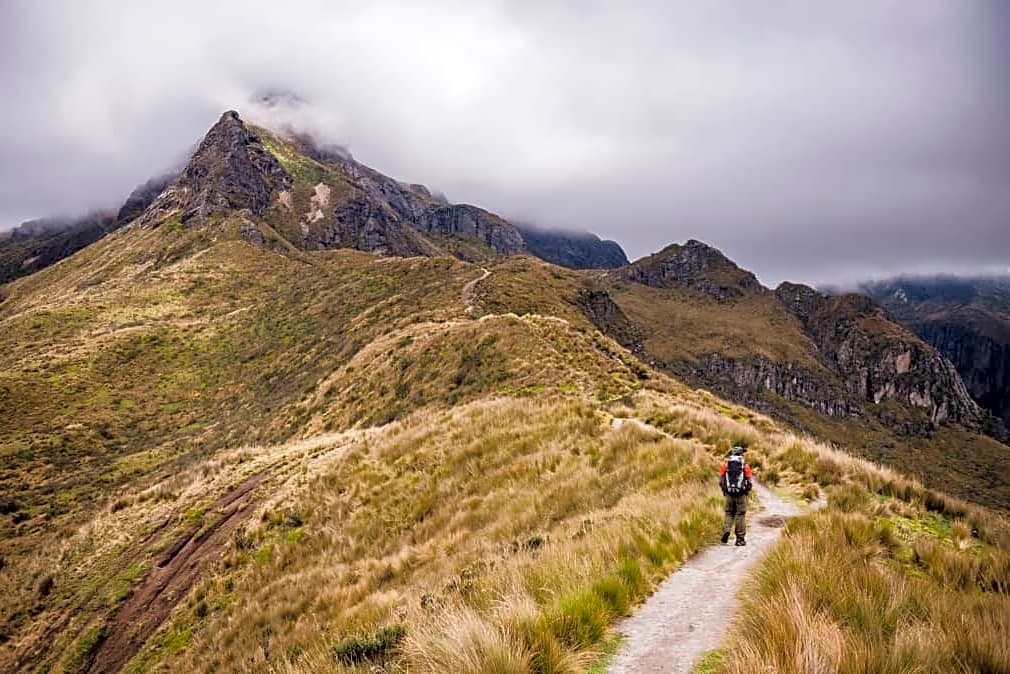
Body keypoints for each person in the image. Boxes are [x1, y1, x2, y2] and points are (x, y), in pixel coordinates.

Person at [719, 446, 753, 546]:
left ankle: (726, 530)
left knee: (729, 513)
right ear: (741, 454)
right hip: (740, 494)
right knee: (740, 514)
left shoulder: (725, 465)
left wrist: (725, 490)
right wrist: (746, 491)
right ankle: (740, 539)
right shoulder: (745, 466)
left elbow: (721, 481)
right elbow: (749, 481)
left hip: (729, 494)